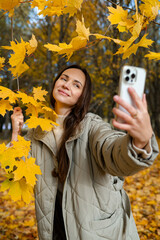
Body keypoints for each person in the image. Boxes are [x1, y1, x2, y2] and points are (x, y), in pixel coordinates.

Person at [11, 64, 159, 240]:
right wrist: (15, 133)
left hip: (98, 233)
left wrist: (140, 141)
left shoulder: (92, 126)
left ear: (83, 96)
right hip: (56, 229)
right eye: (64, 79)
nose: (66, 85)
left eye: (76, 85)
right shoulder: (37, 132)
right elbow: (17, 172)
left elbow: (113, 153)